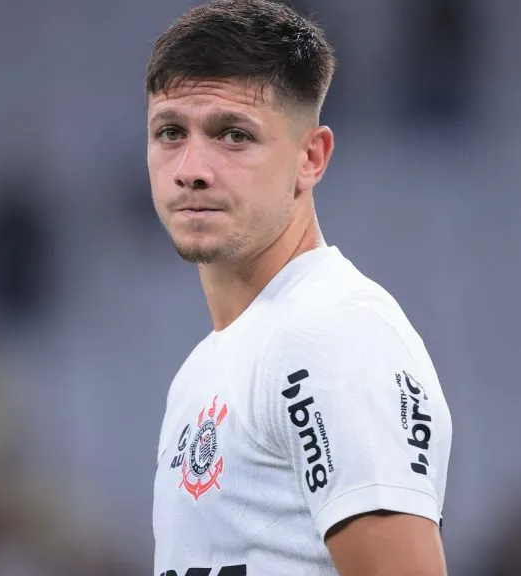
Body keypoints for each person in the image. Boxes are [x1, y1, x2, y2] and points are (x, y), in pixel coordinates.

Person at [146, 1, 452, 575]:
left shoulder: (331, 333)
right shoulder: (205, 368)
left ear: (310, 157)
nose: (191, 167)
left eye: (232, 135)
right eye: (170, 132)